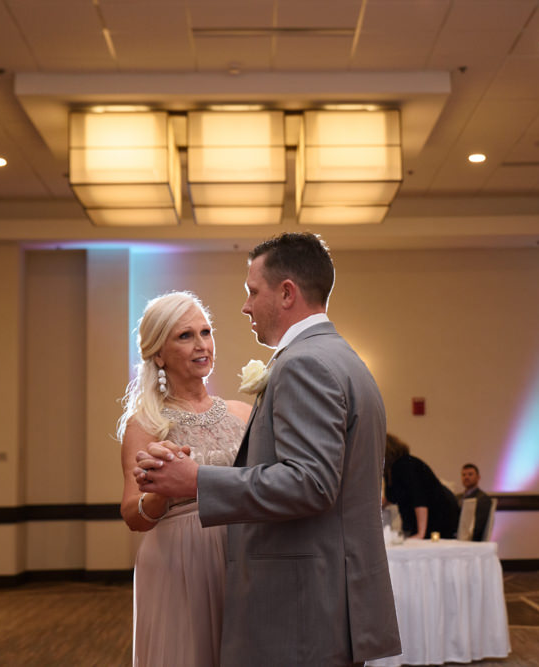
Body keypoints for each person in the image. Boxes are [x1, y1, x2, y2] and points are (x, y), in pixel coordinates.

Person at [137, 232, 401, 667]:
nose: (245, 306)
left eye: (251, 292)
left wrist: (196, 480)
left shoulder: (304, 364)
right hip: (329, 593)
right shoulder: (344, 357)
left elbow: (311, 483)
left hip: (300, 605)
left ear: (286, 293)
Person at [117, 291, 251, 667]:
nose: (201, 344)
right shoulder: (146, 424)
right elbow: (133, 514)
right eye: (185, 336)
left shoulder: (243, 413)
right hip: (179, 558)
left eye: (205, 332)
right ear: (158, 354)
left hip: (242, 552)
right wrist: (158, 492)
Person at [383, 434, 460, 539]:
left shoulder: (405, 464)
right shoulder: (390, 470)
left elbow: (419, 498)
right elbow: (392, 496)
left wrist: (420, 534)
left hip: (438, 515)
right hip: (425, 515)